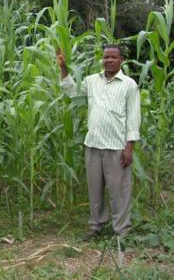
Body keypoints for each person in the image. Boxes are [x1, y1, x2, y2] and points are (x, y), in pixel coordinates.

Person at [57, 45, 141, 242]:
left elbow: (134, 117)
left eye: (113, 57)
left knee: (119, 190)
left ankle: (122, 232)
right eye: (106, 57)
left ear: (121, 60)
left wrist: (130, 147)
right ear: (102, 60)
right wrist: (63, 67)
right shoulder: (92, 81)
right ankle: (96, 227)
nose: (109, 60)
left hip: (117, 146)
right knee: (95, 189)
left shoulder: (129, 85)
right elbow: (72, 91)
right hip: (93, 144)